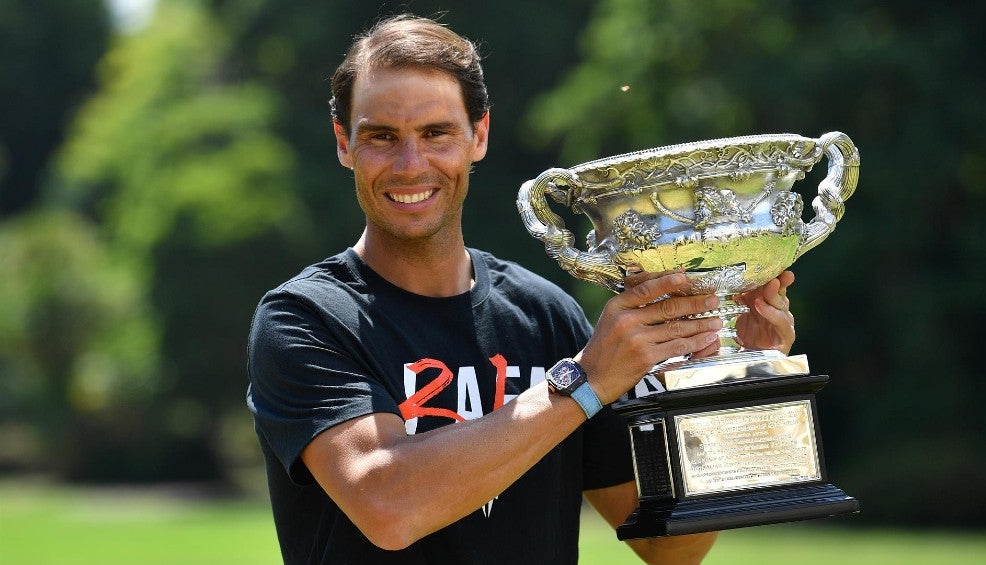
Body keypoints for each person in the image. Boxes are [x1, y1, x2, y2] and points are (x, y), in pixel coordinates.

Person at [246, 14, 796, 565]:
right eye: (382, 137)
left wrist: (739, 379)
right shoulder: (305, 318)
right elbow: (389, 506)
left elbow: (670, 545)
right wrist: (583, 383)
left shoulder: (544, 317)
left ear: (478, 135)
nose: (411, 165)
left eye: (436, 133)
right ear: (345, 144)